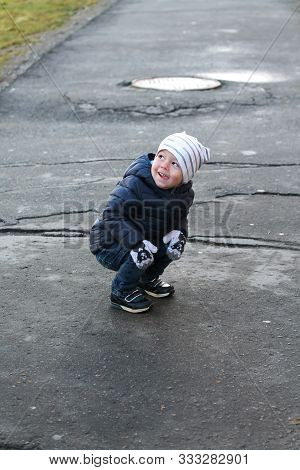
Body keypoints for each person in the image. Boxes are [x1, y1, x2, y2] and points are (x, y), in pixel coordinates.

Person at [90, 132, 210, 313]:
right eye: (161, 156)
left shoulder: (184, 194)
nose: (164, 165)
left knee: (170, 245)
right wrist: (135, 243)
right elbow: (110, 215)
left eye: (174, 163)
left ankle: (147, 279)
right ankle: (121, 291)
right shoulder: (135, 184)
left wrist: (180, 235)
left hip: (145, 238)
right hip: (109, 242)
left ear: (186, 175)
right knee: (141, 252)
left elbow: (179, 218)